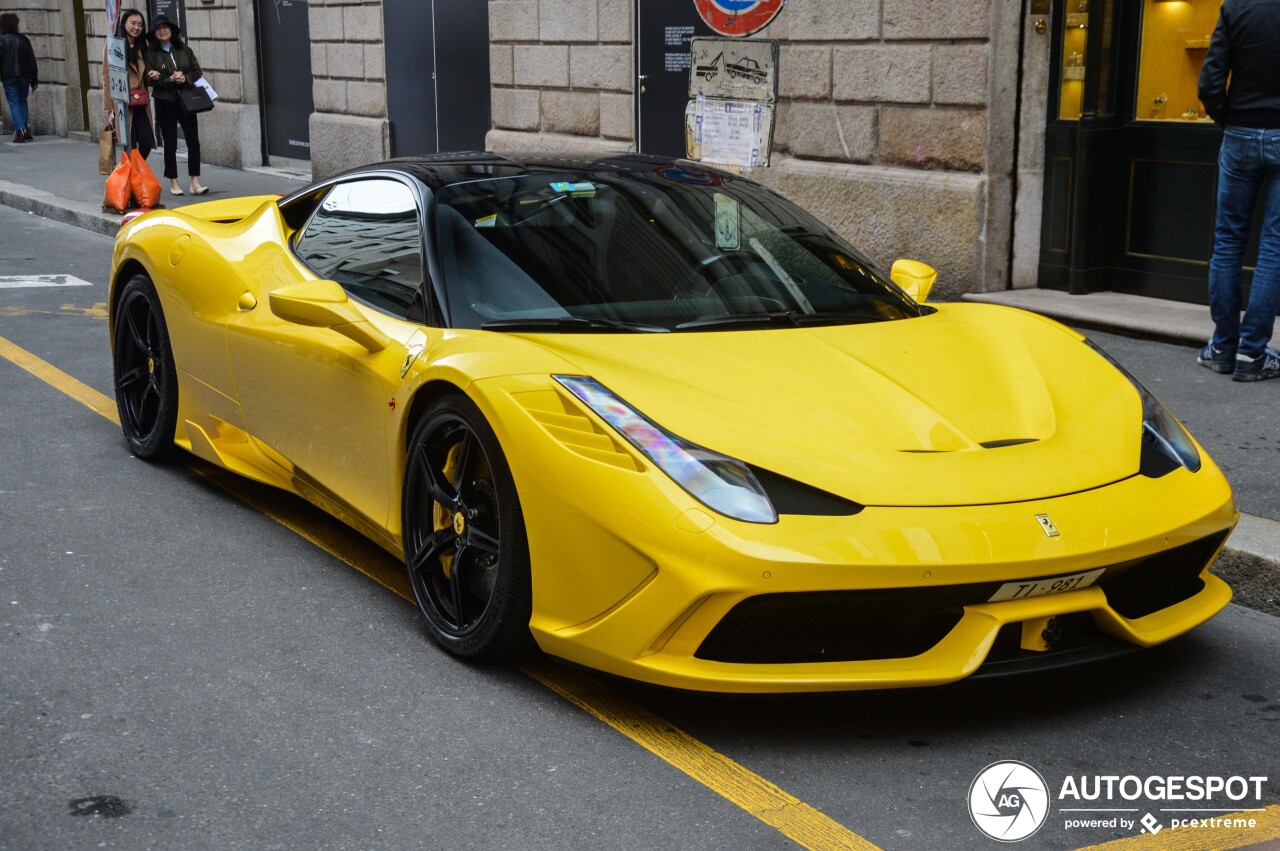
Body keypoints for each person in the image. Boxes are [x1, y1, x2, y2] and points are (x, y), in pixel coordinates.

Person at [1196, 0, 1280, 382]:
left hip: (1240, 131)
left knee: (1228, 241)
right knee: (1275, 246)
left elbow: (1209, 82)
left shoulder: (1237, 7)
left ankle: (1223, 348)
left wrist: (1227, 119)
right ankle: (1251, 354)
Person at [144, 15, 206, 195]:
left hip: (186, 99)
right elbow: (148, 79)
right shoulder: (151, 54)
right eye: (158, 29)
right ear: (155, 34)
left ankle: (195, 181)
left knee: (193, 140)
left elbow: (197, 71)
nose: (163, 31)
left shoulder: (184, 49)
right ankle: (173, 182)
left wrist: (184, 78)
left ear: (172, 30)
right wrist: (169, 79)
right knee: (170, 142)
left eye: (166, 27)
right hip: (165, 101)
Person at [102, 9, 154, 159]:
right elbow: (106, 76)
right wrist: (107, 105)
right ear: (124, 23)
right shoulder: (113, 45)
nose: (136, 27)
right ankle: (131, 176)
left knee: (146, 141)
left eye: (140, 25)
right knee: (129, 144)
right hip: (122, 101)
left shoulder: (143, 47)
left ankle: (131, 170)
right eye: (133, 23)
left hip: (140, 100)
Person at [0, 12, 39, 144]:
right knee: (22, 101)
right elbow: (31, 60)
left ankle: (19, 131)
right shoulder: (24, 40)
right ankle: (25, 128)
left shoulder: (1, 40)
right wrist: (34, 81)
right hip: (24, 75)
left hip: (8, 76)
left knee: (14, 103)